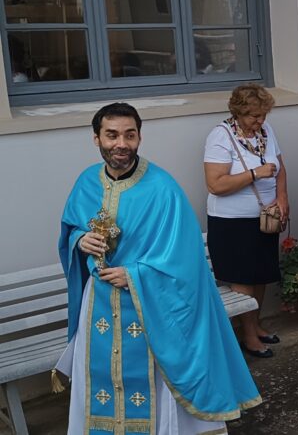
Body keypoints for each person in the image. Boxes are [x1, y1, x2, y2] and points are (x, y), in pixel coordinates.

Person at [58, 103, 262, 433]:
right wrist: (80, 240)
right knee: (100, 378)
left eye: (129, 134)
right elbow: (71, 227)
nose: (120, 143)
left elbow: (185, 258)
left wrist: (135, 274)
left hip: (149, 308)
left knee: (151, 386)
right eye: (111, 135)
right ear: (96, 139)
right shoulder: (86, 183)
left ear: (139, 137)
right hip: (97, 306)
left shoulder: (163, 189)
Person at [204, 83, 288, 357]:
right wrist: (255, 173)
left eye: (263, 115)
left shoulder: (266, 131)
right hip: (231, 223)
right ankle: (249, 336)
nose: (260, 120)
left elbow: (280, 167)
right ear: (238, 112)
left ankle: (257, 325)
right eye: (253, 115)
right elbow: (216, 184)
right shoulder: (220, 136)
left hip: (264, 218)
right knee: (242, 279)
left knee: (261, 275)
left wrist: (282, 198)